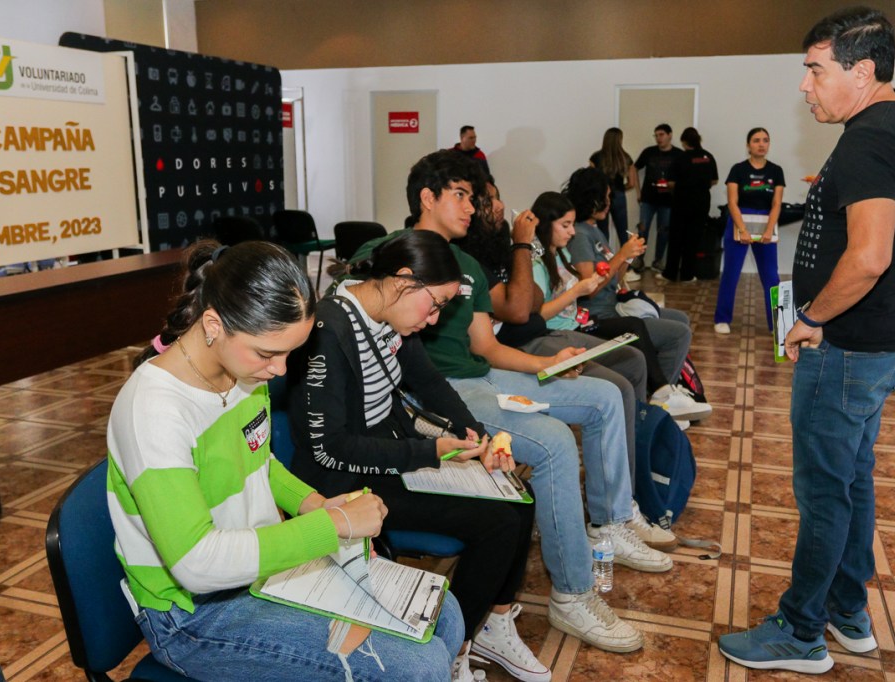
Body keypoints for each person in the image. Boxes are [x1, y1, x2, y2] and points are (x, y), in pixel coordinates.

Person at [352, 150, 673, 654]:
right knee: (552, 444)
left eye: (474, 197)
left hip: (481, 374)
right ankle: (573, 593)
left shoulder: (467, 265)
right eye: (461, 195)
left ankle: (610, 524)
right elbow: (355, 307)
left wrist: (549, 363)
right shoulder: (388, 250)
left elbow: (486, 347)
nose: (471, 207)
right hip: (437, 390)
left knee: (605, 395)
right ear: (427, 198)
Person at [107, 240, 465, 681]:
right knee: (419, 666)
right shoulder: (153, 410)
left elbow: (258, 460)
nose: (280, 370)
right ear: (214, 324)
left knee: (444, 612)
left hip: (257, 570)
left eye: (289, 353)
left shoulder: (239, 368)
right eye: (268, 354)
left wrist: (316, 504)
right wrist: (332, 526)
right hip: (193, 615)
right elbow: (197, 564)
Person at [718, 7, 895, 674]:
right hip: (881, 343)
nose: (804, 85)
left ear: (862, 71)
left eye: (815, 70)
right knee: (852, 483)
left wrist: (811, 317)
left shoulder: (871, 137)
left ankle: (801, 631)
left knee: (823, 495)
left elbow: (869, 258)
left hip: (847, 350)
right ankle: (847, 610)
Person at [288, 229, 549, 682]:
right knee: (499, 522)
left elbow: (430, 384)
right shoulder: (330, 329)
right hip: (347, 479)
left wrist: (478, 438)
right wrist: (429, 452)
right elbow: (331, 448)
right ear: (404, 280)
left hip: (391, 455)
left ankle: (492, 623)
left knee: (518, 495)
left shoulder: (392, 315)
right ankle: (452, 648)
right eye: (434, 305)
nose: (433, 319)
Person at [457, 180, 678, 547]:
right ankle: (615, 508)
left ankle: (625, 488)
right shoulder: (482, 258)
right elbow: (521, 313)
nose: (501, 206)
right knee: (615, 387)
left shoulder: (511, 252)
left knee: (632, 362)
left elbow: (530, 307)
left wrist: (524, 251)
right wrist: (523, 247)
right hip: (528, 342)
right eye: (490, 199)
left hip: (542, 334)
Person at [563, 167, 711, 423]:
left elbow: (613, 278)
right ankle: (662, 400)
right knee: (678, 334)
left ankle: (666, 395)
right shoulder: (580, 236)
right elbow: (590, 287)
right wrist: (621, 254)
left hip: (613, 304)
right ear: (592, 198)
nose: (609, 202)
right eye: (606, 197)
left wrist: (628, 257)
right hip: (597, 314)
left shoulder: (594, 229)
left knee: (680, 319)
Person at [712, 127, 786, 335]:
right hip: (739, 224)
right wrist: (742, 229)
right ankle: (722, 318)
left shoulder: (776, 171)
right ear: (748, 145)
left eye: (765, 140)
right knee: (731, 274)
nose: (761, 144)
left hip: (765, 226)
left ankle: (777, 324)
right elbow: (732, 202)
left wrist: (769, 230)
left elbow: (777, 203)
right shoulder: (738, 170)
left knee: (771, 277)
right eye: (756, 140)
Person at [661, 127, 718, 282]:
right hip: (701, 202)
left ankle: (670, 273)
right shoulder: (708, 157)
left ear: (685, 142)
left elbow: (670, 182)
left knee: (676, 239)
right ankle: (688, 275)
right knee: (693, 239)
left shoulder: (680, 158)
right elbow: (714, 180)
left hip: (682, 202)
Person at [634, 123, 684, 271]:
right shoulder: (649, 152)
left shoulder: (679, 155)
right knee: (643, 230)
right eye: (656, 135)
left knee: (664, 232)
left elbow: (685, 176)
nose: (658, 138)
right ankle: (639, 260)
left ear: (670, 135)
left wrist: (674, 185)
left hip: (668, 201)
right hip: (648, 199)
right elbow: (634, 168)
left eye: (661, 135)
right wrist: (638, 191)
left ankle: (658, 260)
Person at [589, 127, 638, 252]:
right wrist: (620, 189)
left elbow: (592, 180)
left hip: (602, 197)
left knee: (603, 232)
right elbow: (632, 183)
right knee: (623, 232)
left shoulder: (596, 157)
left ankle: (605, 259)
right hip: (619, 195)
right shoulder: (626, 158)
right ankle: (626, 259)